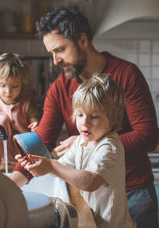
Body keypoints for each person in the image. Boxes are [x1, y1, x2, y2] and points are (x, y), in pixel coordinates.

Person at [10, 8, 159, 227]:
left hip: (133, 193)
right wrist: (12, 182)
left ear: (82, 40)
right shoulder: (60, 87)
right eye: (51, 52)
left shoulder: (126, 74)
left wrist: (88, 144)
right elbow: (41, 142)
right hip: (90, 198)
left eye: (60, 50)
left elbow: (147, 136)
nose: (55, 61)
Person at [18, 74, 136, 228]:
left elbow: (90, 181)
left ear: (112, 118)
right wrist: (39, 166)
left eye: (93, 116)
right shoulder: (81, 141)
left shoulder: (109, 147)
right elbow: (63, 167)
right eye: (80, 115)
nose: (84, 122)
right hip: (95, 220)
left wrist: (51, 166)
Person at [0, 53, 40, 170]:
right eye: (3, 86)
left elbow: (35, 126)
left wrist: (36, 127)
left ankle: (21, 165)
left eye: (14, 86)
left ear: (22, 84)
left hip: (21, 148)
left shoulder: (27, 103)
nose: (8, 91)